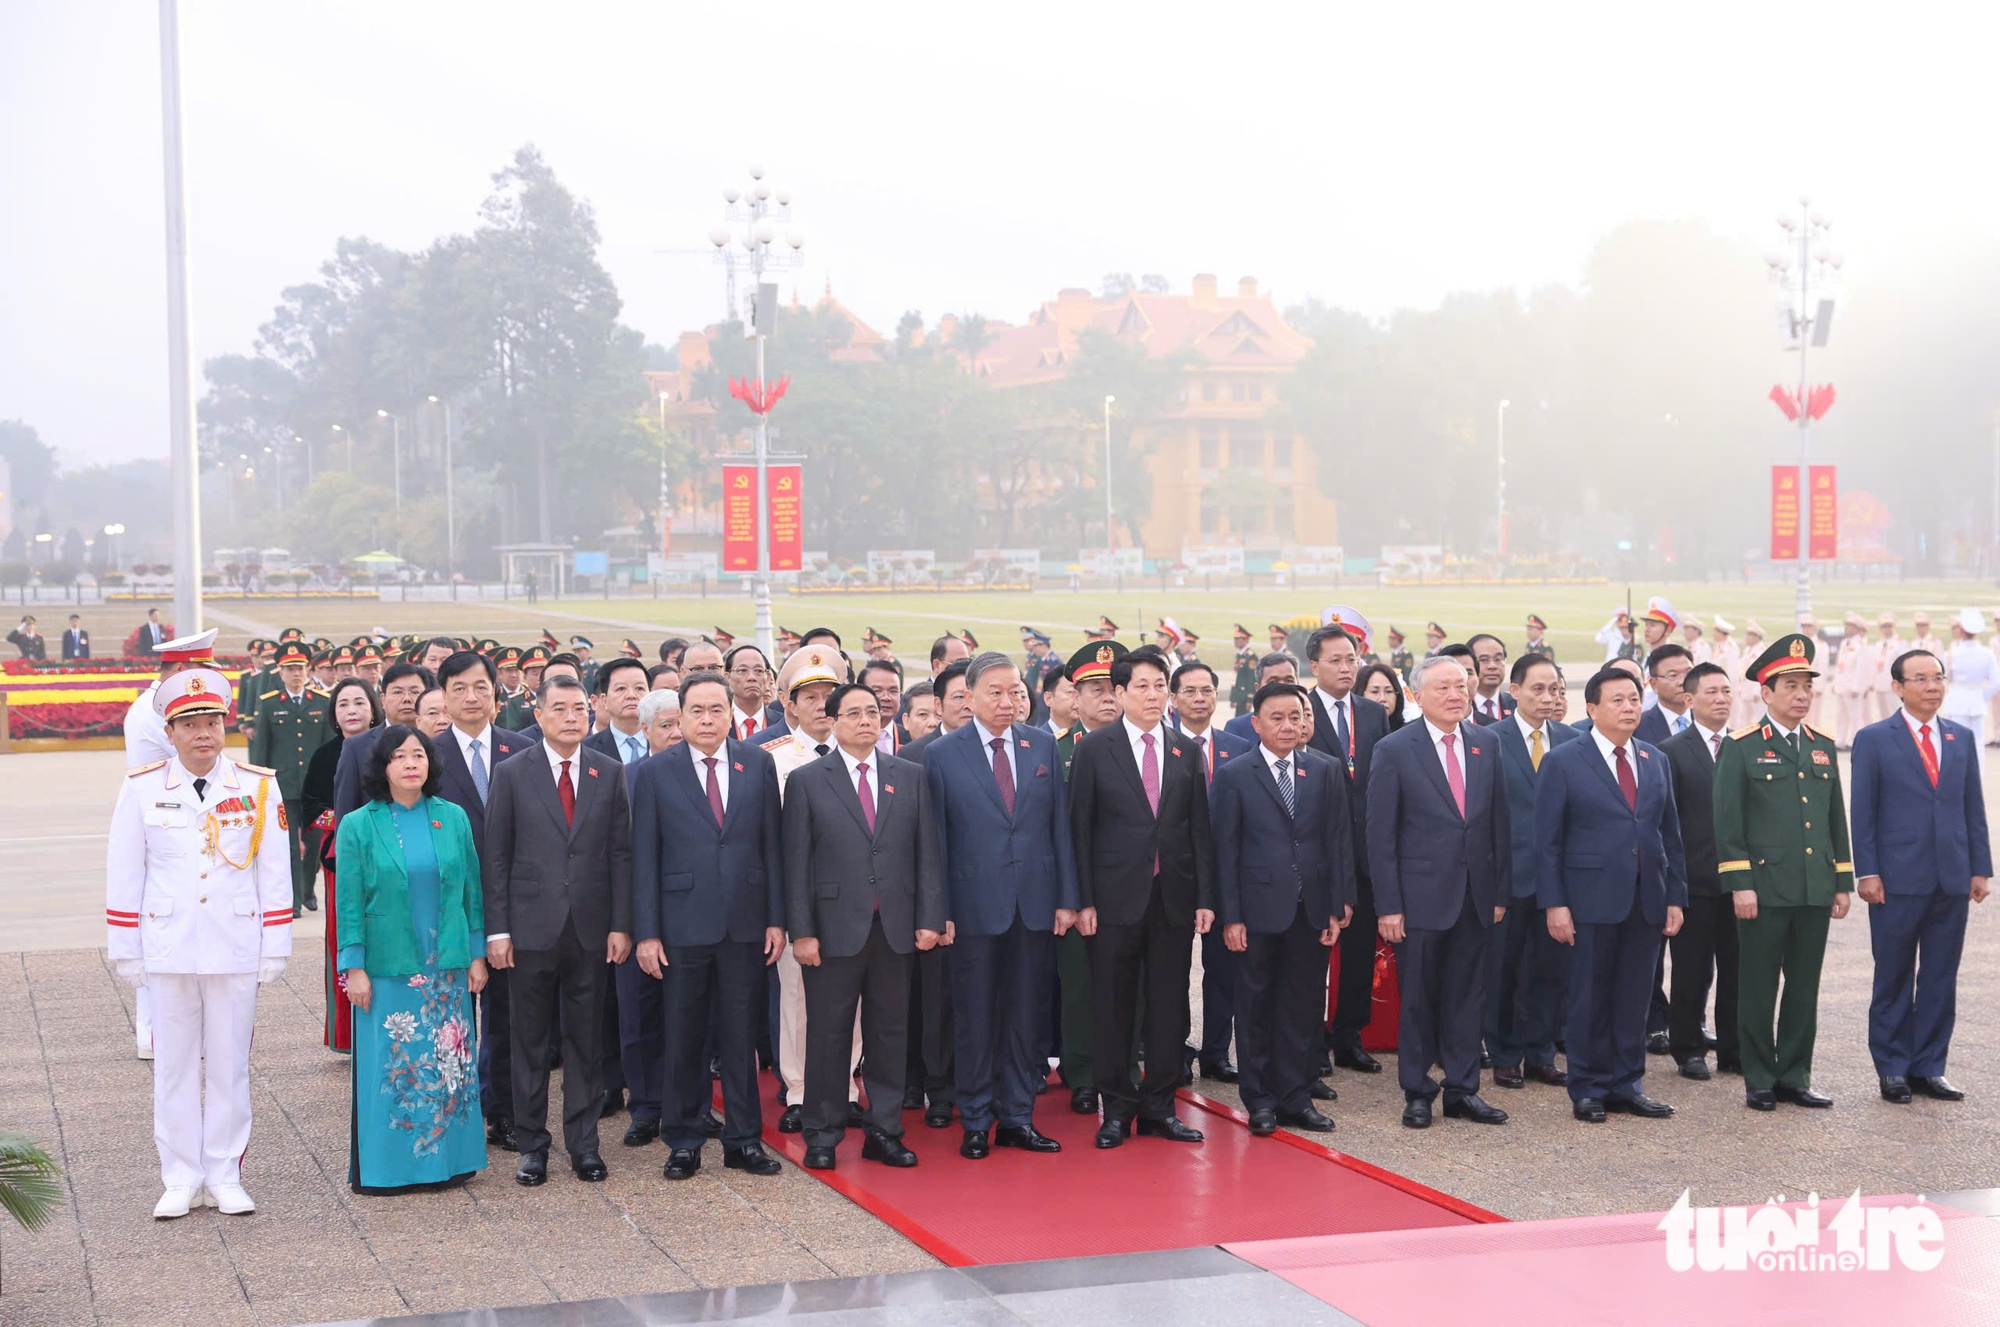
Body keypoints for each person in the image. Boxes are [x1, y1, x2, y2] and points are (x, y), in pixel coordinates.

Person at [106, 667, 291, 1218]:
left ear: (225, 725)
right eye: (190, 724)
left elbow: (275, 869)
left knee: (230, 1064)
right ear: (170, 731)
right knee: (175, 1066)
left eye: (211, 721)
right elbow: (125, 870)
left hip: (235, 941)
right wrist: (127, 948)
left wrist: (275, 943)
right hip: (168, 944)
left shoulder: (258, 785)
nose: (203, 733)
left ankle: (225, 1173)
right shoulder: (142, 787)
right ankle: (180, 1176)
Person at [784, 683, 945, 1170]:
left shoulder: (909, 775)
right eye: (852, 713)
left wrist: (929, 919)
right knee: (829, 1034)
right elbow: (796, 864)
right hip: (832, 930)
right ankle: (823, 1133)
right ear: (832, 722)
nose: (865, 721)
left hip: (894, 927)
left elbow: (927, 855)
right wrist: (802, 932)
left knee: (890, 1034)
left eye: (872, 712)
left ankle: (885, 1130)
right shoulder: (808, 780)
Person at [632, 671, 786, 1181]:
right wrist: (647, 932)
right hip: (681, 926)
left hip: (744, 924)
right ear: (680, 716)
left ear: (729, 713)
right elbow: (645, 859)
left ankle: (744, 1141)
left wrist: (776, 919)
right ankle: (684, 1140)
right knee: (684, 1038)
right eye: (695, 711)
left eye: (715, 709)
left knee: (741, 1037)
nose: (706, 719)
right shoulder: (656, 772)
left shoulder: (756, 763)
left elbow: (771, 847)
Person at [926, 651, 1079, 1160]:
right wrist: (938, 909)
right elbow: (936, 842)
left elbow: (1059, 828)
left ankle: (1016, 1117)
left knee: (1025, 1016)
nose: (1008, 700)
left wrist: (1066, 899)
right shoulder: (942, 754)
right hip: (971, 909)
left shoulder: (1041, 745)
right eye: (995, 691)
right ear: (968, 696)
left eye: (1015, 690)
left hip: (1033, 905)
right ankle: (975, 1118)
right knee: (974, 1016)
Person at [482, 675, 632, 1186]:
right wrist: (497, 930)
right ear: (539, 716)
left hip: (590, 928)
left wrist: (620, 924)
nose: (571, 717)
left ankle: (583, 1144)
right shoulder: (511, 772)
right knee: (528, 1040)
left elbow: (619, 853)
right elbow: (496, 856)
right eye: (559, 709)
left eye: (578, 709)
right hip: (527, 928)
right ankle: (532, 1146)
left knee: (586, 1041)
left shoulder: (608, 773)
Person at [1069, 651, 1216, 1147]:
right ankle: (1116, 1109)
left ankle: (1159, 1107)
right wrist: (1083, 899)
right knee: (1113, 1007)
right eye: (1143, 687)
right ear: (1121, 693)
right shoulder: (1095, 749)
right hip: (1112, 901)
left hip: (1171, 899)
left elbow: (1199, 831)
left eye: (1160, 686)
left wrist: (1204, 897)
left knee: (1169, 1006)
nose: (1154, 695)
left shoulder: (1184, 750)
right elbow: (1079, 832)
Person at [335, 726, 490, 1192]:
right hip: (389, 966)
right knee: (396, 1067)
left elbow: (471, 893)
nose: (410, 763)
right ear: (383, 767)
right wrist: (354, 967)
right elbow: (349, 901)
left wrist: (476, 955)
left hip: (446, 965)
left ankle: (451, 1162)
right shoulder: (360, 824)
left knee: (450, 1063)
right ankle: (392, 1169)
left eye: (418, 755)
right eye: (399, 756)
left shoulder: (453, 817)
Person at [1535, 667, 1686, 1124]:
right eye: (1617, 700)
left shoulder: (1654, 759)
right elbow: (1547, 841)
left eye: (1634, 700)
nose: (1628, 708)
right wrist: (1555, 903)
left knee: (1635, 996)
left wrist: (1674, 896)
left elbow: (1669, 834)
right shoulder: (1564, 760)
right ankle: (1588, 1086)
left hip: (1646, 899)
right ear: (1592, 708)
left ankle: (1627, 1083)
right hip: (1588, 899)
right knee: (1589, 996)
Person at [1367, 655, 1511, 1129]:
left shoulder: (1486, 743)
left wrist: (1499, 892)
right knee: (1420, 999)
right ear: (1417, 695)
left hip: (1475, 896)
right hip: (1420, 899)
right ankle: (1418, 1090)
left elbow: (1498, 825)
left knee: (1469, 997)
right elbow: (1380, 835)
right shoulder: (1394, 748)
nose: (1455, 695)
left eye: (1460, 686)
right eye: (1443, 688)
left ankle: (1463, 1089)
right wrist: (1388, 905)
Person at [1713, 633, 1853, 1111]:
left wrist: (1841, 881)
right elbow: (1728, 825)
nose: (1800, 694)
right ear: (1765, 693)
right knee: (1757, 985)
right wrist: (1740, 883)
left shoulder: (1822, 747)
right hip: (1764, 890)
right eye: (1790, 685)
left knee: (1803, 987)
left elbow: (1835, 819)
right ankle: (1759, 1076)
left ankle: (1795, 1073)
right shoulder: (1742, 747)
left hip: (1813, 887)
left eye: (1806, 686)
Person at [1210, 681, 1351, 1135]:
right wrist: (1230, 916)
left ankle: (1295, 1097)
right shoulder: (1234, 774)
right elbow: (1224, 851)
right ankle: (1261, 1100)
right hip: (1255, 911)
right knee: (1254, 1007)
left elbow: (1338, 842)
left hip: (1310, 910)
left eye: (1297, 716)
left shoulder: (1325, 769)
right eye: (1277, 717)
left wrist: (1336, 906)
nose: (1289, 726)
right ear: (1256, 724)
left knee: (1301, 1006)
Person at [1850, 648, 1991, 1104]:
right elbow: (1863, 812)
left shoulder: (1960, 737)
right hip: (1895, 879)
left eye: (1938, 678)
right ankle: (1892, 1068)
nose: (1932, 687)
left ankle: (1929, 1066)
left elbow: (1973, 809)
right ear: (1898, 687)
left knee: (1939, 977)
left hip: (1950, 878)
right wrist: (1867, 870)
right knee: (1892, 976)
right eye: (1921, 679)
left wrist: (1980, 868)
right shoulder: (1874, 738)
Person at [758, 646, 861, 1133]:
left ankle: (844, 1088)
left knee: (853, 1002)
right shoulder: (770, 760)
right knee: (795, 996)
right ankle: (799, 1090)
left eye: (829, 696)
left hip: (854, 902)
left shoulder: (865, 756)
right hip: (800, 900)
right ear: (790, 706)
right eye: (811, 697)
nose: (821, 705)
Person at [429, 650, 526, 1149]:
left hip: (513, 907)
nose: (471, 697)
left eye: (481, 687)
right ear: (443, 696)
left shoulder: (523, 749)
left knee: (508, 1016)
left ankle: (502, 1111)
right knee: (452, 1015)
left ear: (496, 693)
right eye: (460, 688)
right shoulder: (424, 755)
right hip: (450, 908)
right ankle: (453, 1109)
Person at [1301, 625, 1392, 1079]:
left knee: (1359, 952)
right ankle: (1312, 1041)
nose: (1346, 667)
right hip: (1318, 852)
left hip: (1368, 852)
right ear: (1314, 666)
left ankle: (1348, 1036)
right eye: (1335, 660)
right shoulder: (1301, 711)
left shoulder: (1374, 714)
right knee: (1316, 952)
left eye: (1352, 658)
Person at [1485, 653, 1578, 1091]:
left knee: (1550, 970)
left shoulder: (1573, 740)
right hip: (1509, 878)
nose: (1548, 698)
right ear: (1515, 691)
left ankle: (1541, 1054)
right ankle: (1504, 1054)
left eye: (1555, 690)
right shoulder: (1488, 740)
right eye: (1538, 689)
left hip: (1559, 880)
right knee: (1502, 969)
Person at [1168, 660, 1251, 1082]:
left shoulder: (1237, 747)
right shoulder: (1162, 746)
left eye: (1207, 690)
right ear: (1173, 697)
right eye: (1189, 691)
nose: (1199, 698)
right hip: (1175, 877)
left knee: (1223, 970)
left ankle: (1216, 1052)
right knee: (1173, 969)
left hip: (1226, 879)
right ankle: (1176, 1047)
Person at [1657, 662, 1741, 1080]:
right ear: (1690, 700)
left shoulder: (1744, 745)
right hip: (1693, 881)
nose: (1721, 699)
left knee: (1739, 969)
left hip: (1740, 882)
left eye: (1726, 691)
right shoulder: (1671, 750)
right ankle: (1688, 1047)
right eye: (1712, 692)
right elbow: (1665, 822)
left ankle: (1734, 1048)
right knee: (1692, 971)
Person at [300, 677, 381, 1054]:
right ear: (334, 714)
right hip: (341, 858)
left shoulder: (391, 746)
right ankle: (344, 1034)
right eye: (344, 704)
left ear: (373, 708)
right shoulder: (325, 755)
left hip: (389, 857)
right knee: (343, 942)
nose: (352, 711)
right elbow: (311, 807)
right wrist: (348, 823)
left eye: (359, 703)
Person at [249, 641, 331, 915]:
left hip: (315, 789)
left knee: (315, 844)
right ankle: (293, 900)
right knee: (290, 847)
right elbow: (261, 748)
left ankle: (308, 890)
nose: (296, 674)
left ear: (308, 671)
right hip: (283, 786)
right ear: (281, 673)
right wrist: (260, 787)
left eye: (300, 668)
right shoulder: (270, 704)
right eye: (290, 669)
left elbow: (328, 748)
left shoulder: (321, 702)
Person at [1942, 609, 1997, 747]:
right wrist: (1982, 696)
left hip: (1956, 700)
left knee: (1957, 742)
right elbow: (1995, 681)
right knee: (1977, 742)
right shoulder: (1987, 654)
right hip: (1977, 700)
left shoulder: (1951, 654)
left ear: (1961, 629)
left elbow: (1944, 679)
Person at [1222, 652, 1300, 743]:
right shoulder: (1237, 729)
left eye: (1289, 681)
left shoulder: (1310, 726)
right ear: (1258, 688)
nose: (1282, 687)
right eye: (1273, 682)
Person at [1831, 612, 1875, 749]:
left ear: (1857, 629)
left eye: (1849, 626)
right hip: (1842, 686)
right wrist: (1836, 682)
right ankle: (1840, 740)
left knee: (1855, 717)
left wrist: (1858, 687)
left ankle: (1853, 740)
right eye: (1846, 626)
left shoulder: (1861, 644)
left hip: (1853, 687)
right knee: (1841, 715)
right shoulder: (1845, 643)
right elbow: (1840, 665)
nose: (1846, 629)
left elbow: (1862, 668)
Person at [1636, 645, 1694, 744]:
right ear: (1654, 684)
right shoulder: (1638, 728)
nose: (1682, 682)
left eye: (1688, 674)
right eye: (1673, 675)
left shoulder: (1709, 721)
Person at [1465, 634, 1513, 724]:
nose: (1492, 666)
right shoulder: (1459, 708)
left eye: (1498, 659)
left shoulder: (1518, 706)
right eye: (1484, 660)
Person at [1868, 613, 1906, 724]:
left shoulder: (1900, 643)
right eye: (1884, 627)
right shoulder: (1879, 644)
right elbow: (1874, 664)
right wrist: (1872, 681)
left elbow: (1903, 664)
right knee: (1883, 715)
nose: (1886, 630)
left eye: (1889, 626)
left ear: (1894, 627)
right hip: (1880, 684)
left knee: (1895, 713)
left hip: (1892, 685)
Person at [1357, 662, 1407, 729]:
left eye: (1389, 691)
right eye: (1374, 692)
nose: (1382, 698)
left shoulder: (1407, 734)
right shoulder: (1348, 732)